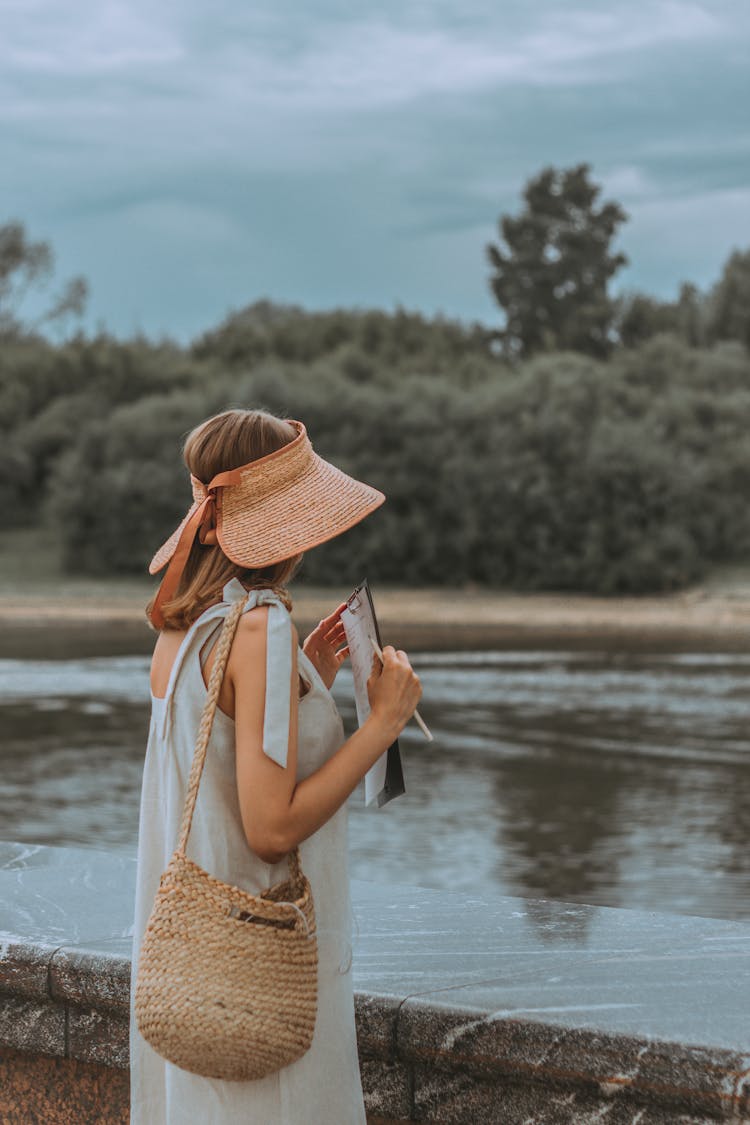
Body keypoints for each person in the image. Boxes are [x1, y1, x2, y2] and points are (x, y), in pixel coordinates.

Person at [129, 407, 422, 1124]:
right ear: (290, 523)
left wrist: (306, 672)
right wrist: (380, 724)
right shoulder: (259, 627)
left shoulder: (184, 625)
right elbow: (269, 826)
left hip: (204, 970)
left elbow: (219, 733)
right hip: (262, 959)